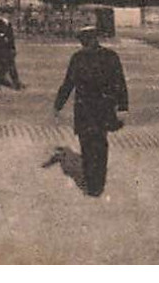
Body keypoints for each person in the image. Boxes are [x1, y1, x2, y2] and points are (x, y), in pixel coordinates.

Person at [53, 26, 129, 198]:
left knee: (89, 146)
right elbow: (120, 84)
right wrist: (123, 107)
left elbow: (68, 84)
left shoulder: (80, 57)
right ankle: (97, 184)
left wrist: (58, 105)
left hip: (85, 110)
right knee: (98, 145)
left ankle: (92, 184)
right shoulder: (109, 56)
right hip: (101, 109)